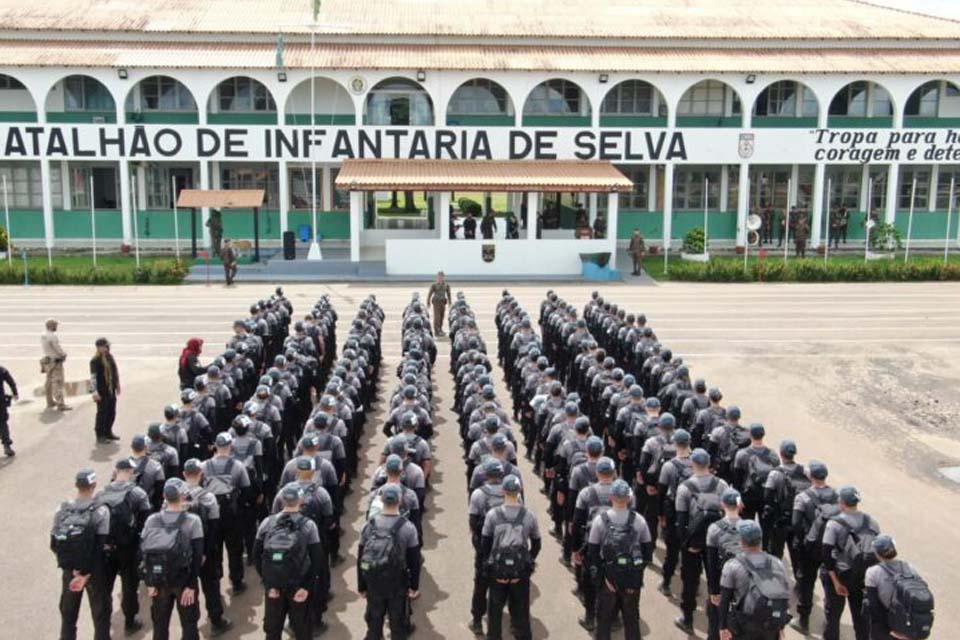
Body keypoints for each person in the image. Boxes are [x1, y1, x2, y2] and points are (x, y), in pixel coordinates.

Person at [254, 484, 326, 640]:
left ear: (281, 500)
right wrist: (306, 587)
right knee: (302, 630)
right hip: (299, 584)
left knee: (273, 631)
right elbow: (317, 559)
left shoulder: (267, 522)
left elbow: (256, 555)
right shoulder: (308, 525)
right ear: (300, 500)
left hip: (274, 586)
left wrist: (268, 583)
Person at [587, 479, 652, 640]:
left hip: (608, 580)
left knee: (604, 621)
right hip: (632, 581)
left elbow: (593, 553)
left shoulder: (600, 521)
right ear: (629, 499)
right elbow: (647, 553)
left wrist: (603, 578)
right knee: (631, 621)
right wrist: (635, 572)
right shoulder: (639, 520)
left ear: (611, 498)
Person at [51, 468, 112, 640]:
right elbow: (100, 545)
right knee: (101, 615)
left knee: (68, 615)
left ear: (76, 485)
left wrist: (72, 566)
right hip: (94, 571)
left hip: (69, 570)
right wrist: (86, 572)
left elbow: (54, 542)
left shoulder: (62, 509)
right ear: (94, 485)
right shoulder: (101, 511)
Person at [141, 479, 205, 640]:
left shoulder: (152, 520)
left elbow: (143, 552)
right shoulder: (193, 521)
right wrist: (191, 585)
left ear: (164, 496)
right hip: (184, 581)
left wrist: (148, 582)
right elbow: (198, 556)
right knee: (189, 626)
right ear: (183, 497)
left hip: (158, 580)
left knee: (160, 626)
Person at [675, 448, 729, 633]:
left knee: (689, 581)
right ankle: (715, 626)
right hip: (717, 541)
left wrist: (686, 544)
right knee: (716, 583)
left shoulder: (685, 488)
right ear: (709, 465)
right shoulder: (722, 485)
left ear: (692, 464)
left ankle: (687, 619)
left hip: (693, 542)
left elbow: (681, 521)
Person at [357, 483, 421, 640]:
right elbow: (414, 560)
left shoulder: (368, 525)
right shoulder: (408, 527)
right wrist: (414, 586)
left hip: (373, 580)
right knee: (397, 623)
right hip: (397, 582)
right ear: (399, 501)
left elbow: (361, 558)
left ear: (382, 500)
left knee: (374, 622)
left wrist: (361, 585)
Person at [481, 474, 540, 640]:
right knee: (521, 610)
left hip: (498, 572)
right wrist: (528, 561)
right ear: (519, 490)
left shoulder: (492, 515)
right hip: (520, 573)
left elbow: (485, 543)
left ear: (503, 491)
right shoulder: (529, 515)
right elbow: (537, 544)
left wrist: (490, 563)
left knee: (495, 610)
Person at [97, 458, 152, 634]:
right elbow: (146, 523)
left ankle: (102, 627)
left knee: (105, 587)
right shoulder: (137, 493)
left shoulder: (101, 494)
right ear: (129, 472)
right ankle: (130, 621)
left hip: (106, 549)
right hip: (128, 548)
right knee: (129, 584)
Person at [820, 485, 881, 640]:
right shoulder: (872, 522)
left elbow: (826, 554)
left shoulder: (834, 524)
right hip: (861, 578)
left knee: (833, 617)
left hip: (840, 575)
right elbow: (878, 553)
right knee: (861, 621)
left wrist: (835, 582)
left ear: (841, 502)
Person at [182, 459, 234, 636]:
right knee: (211, 587)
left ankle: (190, 628)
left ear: (184, 475)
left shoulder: (174, 498)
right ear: (201, 474)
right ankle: (216, 621)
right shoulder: (208, 497)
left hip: (184, 552)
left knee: (188, 589)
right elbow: (214, 527)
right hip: (205, 550)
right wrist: (206, 552)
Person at [717, 520, 793, 640]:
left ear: (741, 541)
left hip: (744, 626)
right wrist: (781, 626)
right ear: (760, 540)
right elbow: (784, 595)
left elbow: (724, 601)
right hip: (771, 626)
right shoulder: (778, 563)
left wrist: (722, 628)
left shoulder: (732, 565)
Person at [864, 535, 935, 640]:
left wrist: (890, 631)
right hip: (909, 626)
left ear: (877, 553)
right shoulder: (910, 568)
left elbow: (874, 606)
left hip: (885, 628)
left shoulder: (872, 572)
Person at [705, 489, 744, 640]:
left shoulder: (714, 528)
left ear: (722, 505)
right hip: (743, 583)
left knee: (715, 622)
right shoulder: (751, 527)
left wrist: (713, 590)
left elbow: (711, 561)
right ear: (740, 505)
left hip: (722, 581)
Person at [90, 337, 121, 444]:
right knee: (102, 413)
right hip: (102, 391)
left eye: (107, 346)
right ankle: (100, 435)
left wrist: (117, 385)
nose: (107, 348)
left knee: (111, 412)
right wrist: (94, 393)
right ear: (99, 347)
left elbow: (114, 371)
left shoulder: (109, 357)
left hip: (110, 389)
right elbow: (93, 377)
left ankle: (108, 432)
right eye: (105, 346)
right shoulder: (95, 360)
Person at [41, 318, 71, 411]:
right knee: (57, 382)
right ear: (51, 326)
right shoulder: (52, 336)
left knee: (49, 382)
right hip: (56, 361)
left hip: (48, 360)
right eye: (55, 325)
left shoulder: (43, 335)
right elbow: (57, 347)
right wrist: (63, 354)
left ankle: (49, 401)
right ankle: (60, 404)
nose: (56, 327)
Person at [0, 364, 18, 456]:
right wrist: (15, 393)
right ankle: (7, 445)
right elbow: (11, 382)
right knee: (2, 423)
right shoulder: (2, 370)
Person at [427, 271, 452, 337]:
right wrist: (428, 302)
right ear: (437, 277)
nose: (440, 278)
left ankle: (440, 329)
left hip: (443, 303)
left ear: (444, 277)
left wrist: (450, 302)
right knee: (437, 317)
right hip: (436, 303)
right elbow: (430, 294)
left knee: (442, 317)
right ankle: (436, 331)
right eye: (439, 277)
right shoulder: (434, 285)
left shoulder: (446, 285)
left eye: (442, 277)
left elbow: (449, 294)